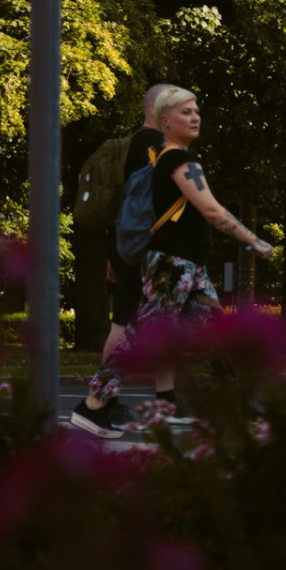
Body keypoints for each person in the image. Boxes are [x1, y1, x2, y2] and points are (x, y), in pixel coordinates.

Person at [71, 86, 275, 438]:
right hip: (171, 265)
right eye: (185, 112)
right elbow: (211, 211)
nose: (195, 117)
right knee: (141, 335)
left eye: (196, 111)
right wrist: (253, 239)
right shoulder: (177, 161)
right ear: (164, 121)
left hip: (189, 266)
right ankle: (93, 405)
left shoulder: (169, 159)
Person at [99, 83, 173, 427]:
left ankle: (166, 400)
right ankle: (103, 401)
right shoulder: (152, 145)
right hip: (143, 244)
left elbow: (123, 203)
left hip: (127, 241)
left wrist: (113, 251)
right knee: (124, 322)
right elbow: (151, 200)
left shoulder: (133, 143)